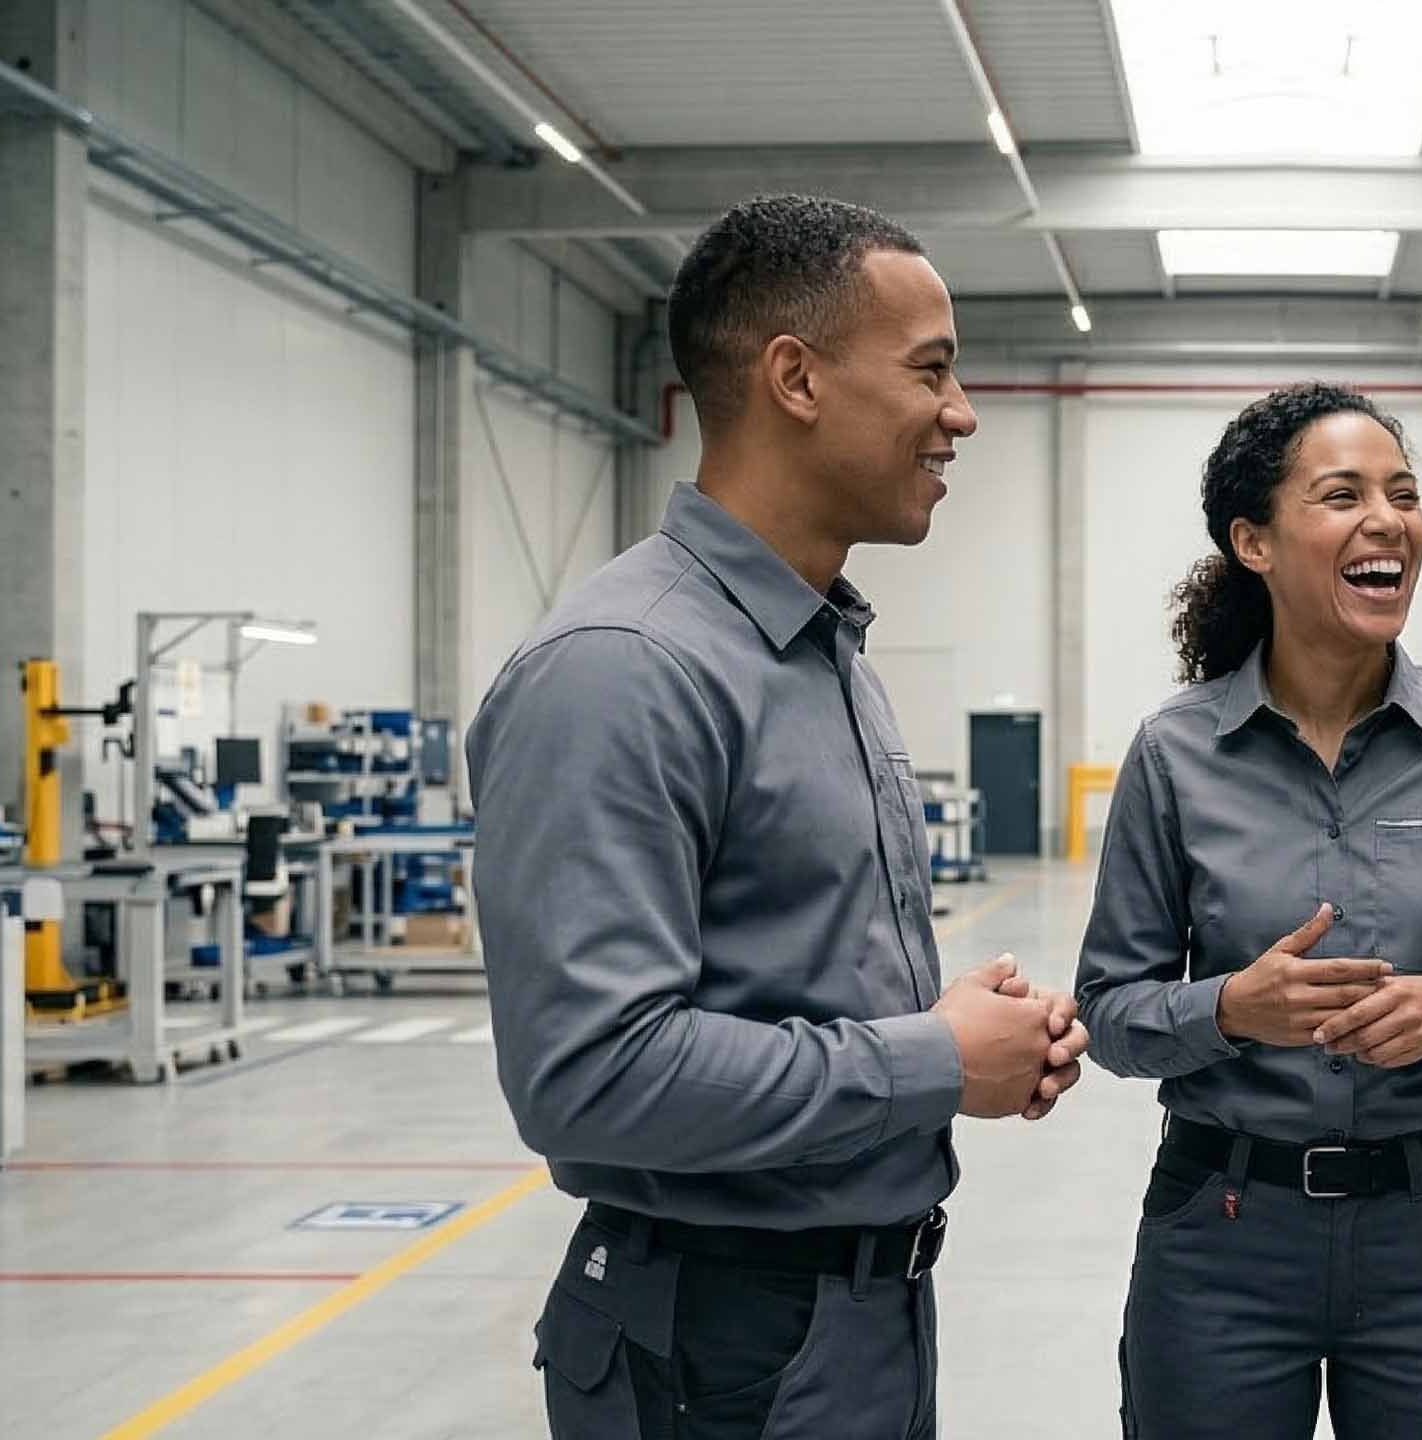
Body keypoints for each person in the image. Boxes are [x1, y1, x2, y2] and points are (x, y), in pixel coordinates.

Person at [467, 194, 1088, 1440]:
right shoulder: (626, 666)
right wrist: (932, 1059)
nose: (960, 414)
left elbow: (772, 974)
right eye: (931, 372)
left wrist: (967, 1034)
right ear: (796, 379)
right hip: (718, 1341)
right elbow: (589, 1076)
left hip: (852, 1319)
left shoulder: (820, 650)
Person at [1077, 382, 1422, 1440]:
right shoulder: (1174, 755)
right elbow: (1109, 1010)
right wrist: (1229, 1010)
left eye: (1403, 494)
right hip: (1221, 1230)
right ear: (1255, 542)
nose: (1388, 520)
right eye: (1342, 495)